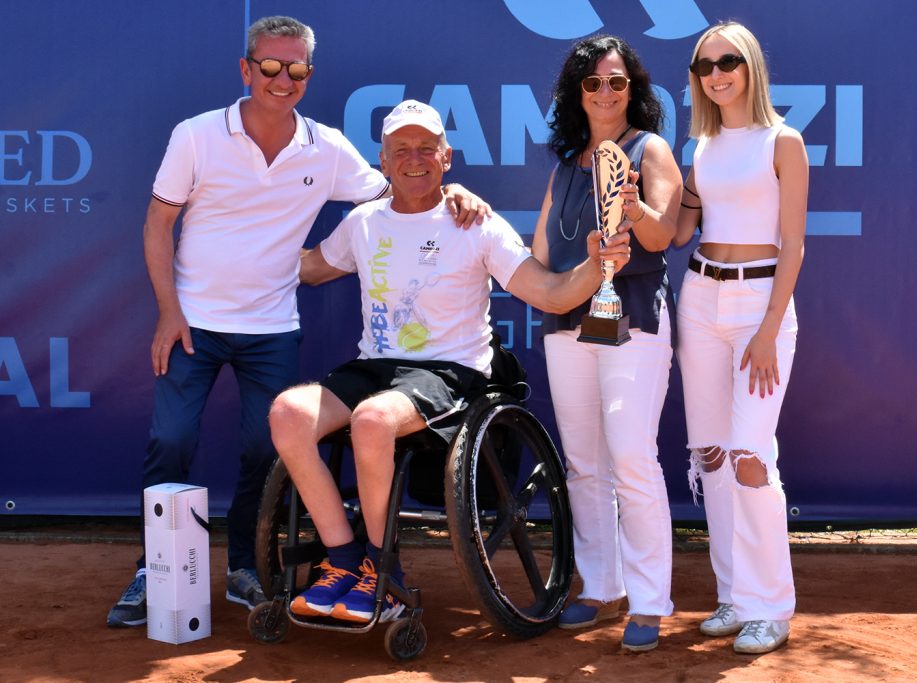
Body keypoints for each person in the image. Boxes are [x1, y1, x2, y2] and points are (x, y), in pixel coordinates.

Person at [107, 16, 489, 628]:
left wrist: (457, 189)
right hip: (193, 324)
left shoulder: (328, 147)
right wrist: (169, 312)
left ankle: (243, 568)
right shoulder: (197, 136)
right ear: (246, 69)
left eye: (296, 70)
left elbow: (403, 184)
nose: (282, 80)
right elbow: (158, 226)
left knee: (266, 448)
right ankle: (152, 571)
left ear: (309, 76)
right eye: (270, 67)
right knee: (171, 442)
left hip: (272, 329)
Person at [266, 100, 632, 625]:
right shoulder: (362, 223)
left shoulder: (476, 223)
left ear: (446, 156)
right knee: (288, 414)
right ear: (384, 162)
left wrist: (597, 266)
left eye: (425, 148)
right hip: (377, 366)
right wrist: (237, 242)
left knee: (372, 421)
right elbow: (310, 268)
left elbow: (550, 294)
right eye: (401, 150)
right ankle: (344, 562)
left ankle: (381, 571)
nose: (414, 159)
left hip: (452, 373)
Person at [530, 35, 683, 652]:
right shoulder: (567, 161)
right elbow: (540, 253)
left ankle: (649, 601)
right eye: (592, 83)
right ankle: (600, 587)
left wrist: (634, 206)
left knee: (631, 458)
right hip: (569, 325)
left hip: (635, 320)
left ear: (634, 89)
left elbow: (666, 233)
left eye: (617, 82)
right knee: (585, 465)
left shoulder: (651, 149)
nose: (605, 92)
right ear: (577, 93)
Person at [673, 21, 808, 654]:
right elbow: (679, 231)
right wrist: (628, 204)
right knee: (712, 455)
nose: (717, 73)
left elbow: (795, 245)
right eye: (704, 66)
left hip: (761, 305)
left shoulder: (784, 141)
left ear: (750, 65)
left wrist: (769, 326)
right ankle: (734, 596)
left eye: (728, 61)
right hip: (699, 297)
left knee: (752, 453)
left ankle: (770, 605)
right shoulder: (697, 148)